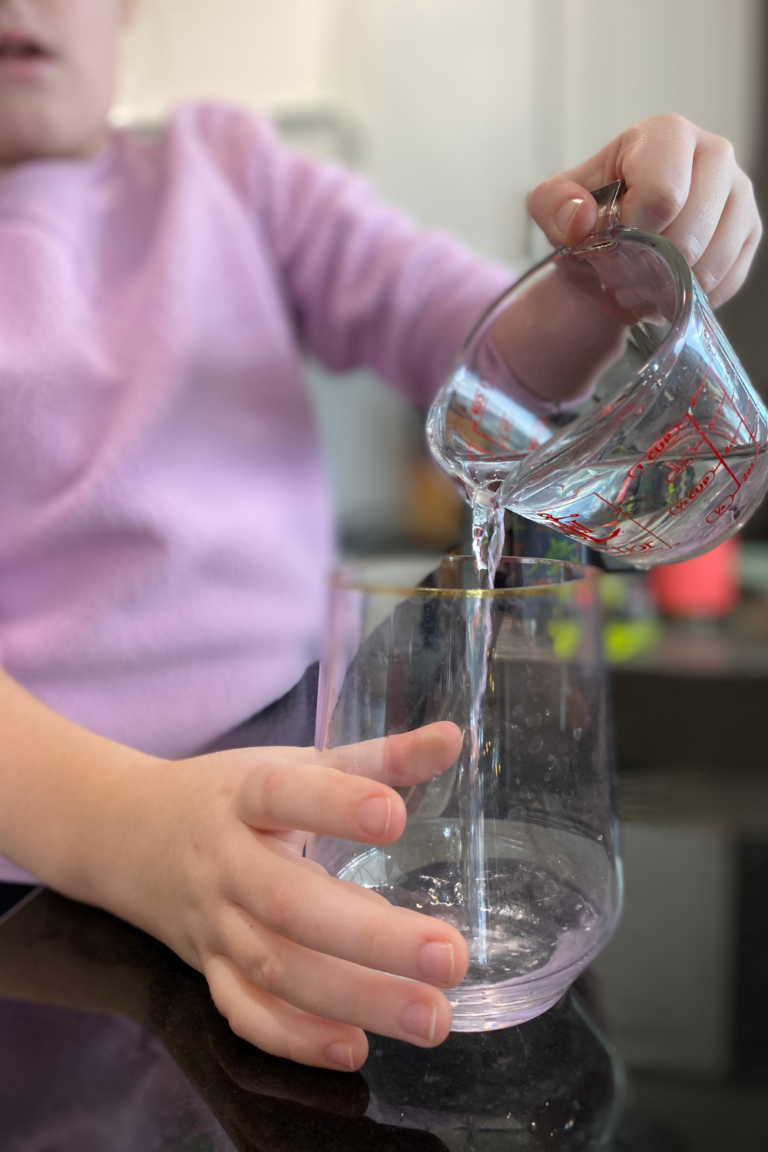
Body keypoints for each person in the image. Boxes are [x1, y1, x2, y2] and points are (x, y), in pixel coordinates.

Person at [0, 0, 761, 1073]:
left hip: (311, 835)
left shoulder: (228, 170)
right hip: (42, 856)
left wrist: (608, 270)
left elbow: (486, 370)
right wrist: (128, 829)